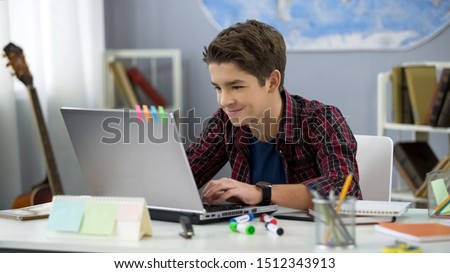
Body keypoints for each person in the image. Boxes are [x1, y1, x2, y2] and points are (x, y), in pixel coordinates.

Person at [186, 19, 361, 210]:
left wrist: (261, 193)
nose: (224, 100)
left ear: (272, 81)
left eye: (236, 87)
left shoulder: (321, 119)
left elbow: (344, 189)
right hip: (253, 236)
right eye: (218, 88)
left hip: (313, 237)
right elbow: (183, 177)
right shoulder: (224, 122)